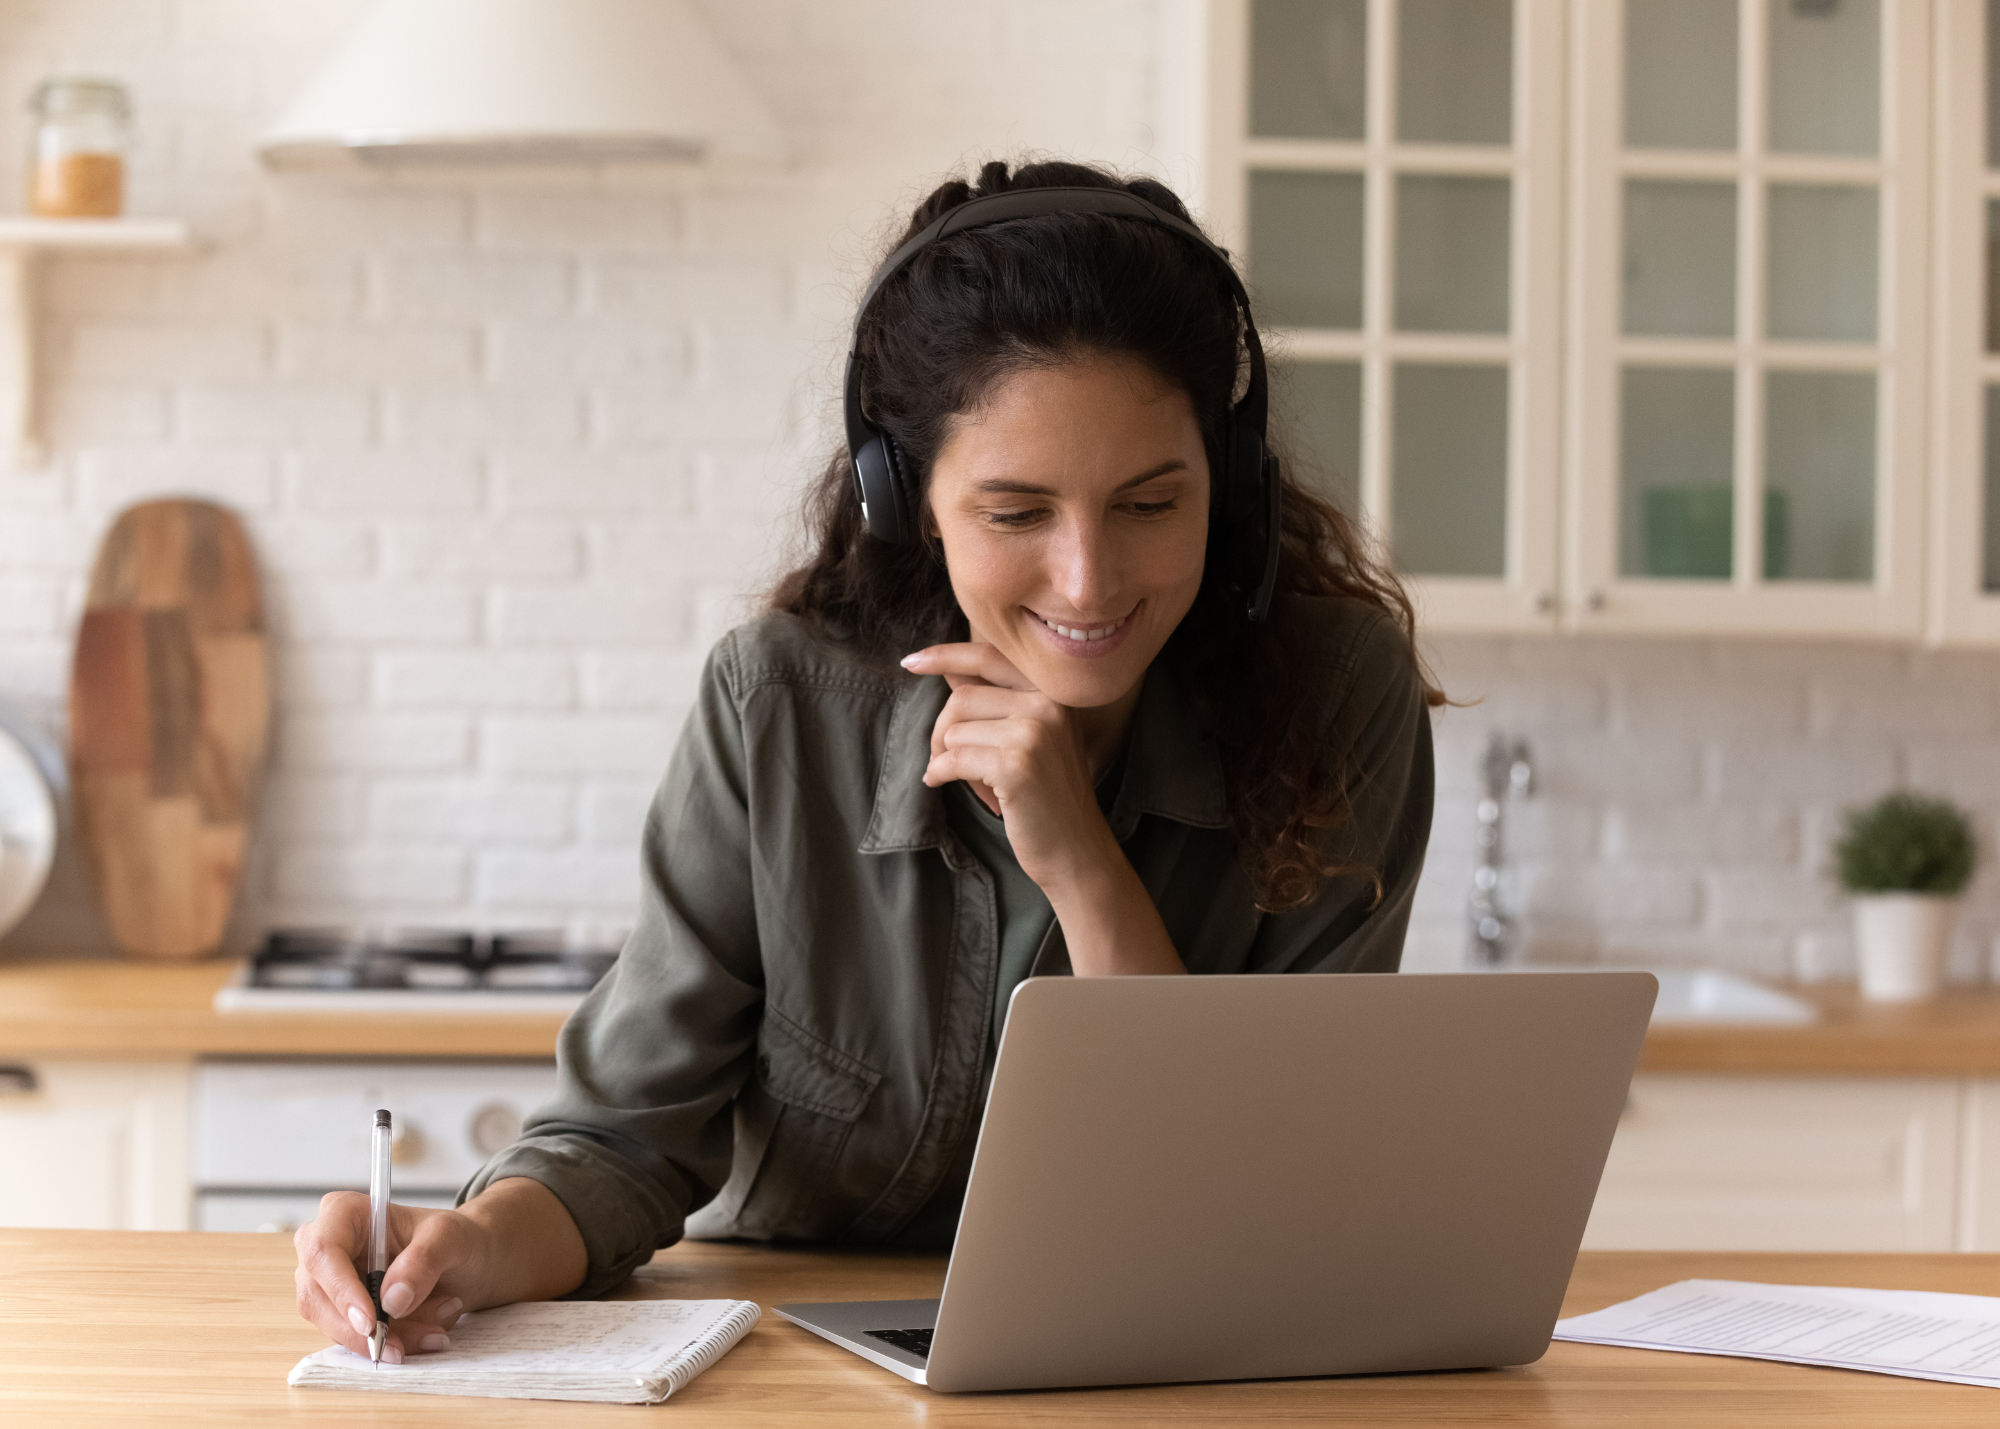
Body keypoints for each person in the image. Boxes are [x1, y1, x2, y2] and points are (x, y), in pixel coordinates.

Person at [291, 159, 1439, 1362]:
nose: (1088, 580)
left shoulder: (1335, 694)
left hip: (1163, 1361)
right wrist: (463, 1246)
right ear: (908, 501)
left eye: (1151, 504)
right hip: (792, 1366)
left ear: (1231, 482)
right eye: (1014, 514)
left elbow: (1252, 1202)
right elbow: (624, 1141)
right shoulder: (776, 703)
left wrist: (1081, 866)